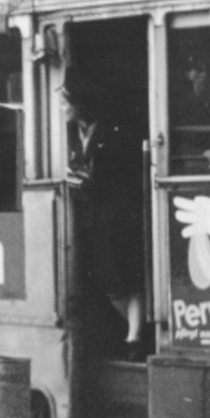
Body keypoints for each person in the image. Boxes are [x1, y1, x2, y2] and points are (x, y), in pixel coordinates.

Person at [62, 80, 148, 361]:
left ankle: (133, 337)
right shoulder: (74, 132)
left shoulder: (109, 131)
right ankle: (135, 332)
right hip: (94, 219)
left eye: (66, 103)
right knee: (111, 281)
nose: (62, 108)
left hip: (118, 216)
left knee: (129, 277)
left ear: (80, 105)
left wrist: (86, 179)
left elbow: (116, 173)